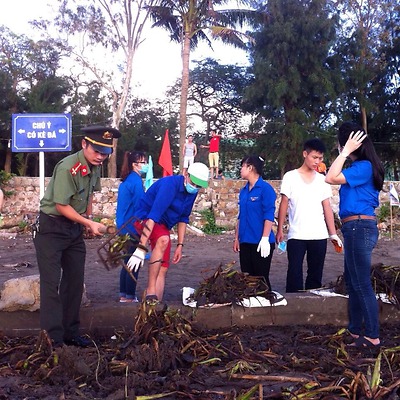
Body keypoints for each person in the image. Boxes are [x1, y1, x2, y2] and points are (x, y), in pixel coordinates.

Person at [34, 125, 121, 347]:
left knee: (74, 282)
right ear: (84, 144)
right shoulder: (68, 167)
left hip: (73, 230)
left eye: (105, 153)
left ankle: (70, 333)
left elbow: (89, 194)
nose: (101, 157)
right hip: (51, 229)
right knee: (51, 284)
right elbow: (61, 205)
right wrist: (88, 222)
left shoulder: (94, 166)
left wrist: (89, 218)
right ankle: (53, 339)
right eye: (97, 151)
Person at [325, 122, 384, 348]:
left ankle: (371, 335)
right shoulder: (359, 168)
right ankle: (354, 330)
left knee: (361, 282)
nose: (340, 148)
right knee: (353, 281)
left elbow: (330, 177)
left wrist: (345, 151)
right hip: (355, 228)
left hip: (360, 227)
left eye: (341, 144)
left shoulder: (364, 167)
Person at [126, 162, 209, 302]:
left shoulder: (191, 193)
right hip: (144, 219)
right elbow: (153, 215)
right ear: (186, 174)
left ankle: (154, 305)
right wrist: (141, 247)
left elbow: (183, 218)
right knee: (164, 239)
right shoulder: (169, 185)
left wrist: (180, 245)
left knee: (163, 267)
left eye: (198, 186)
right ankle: (151, 291)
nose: (194, 187)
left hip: (162, 226)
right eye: (193, 183)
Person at [276, 138, 342, 293]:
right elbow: (284, 204)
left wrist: (333, 234)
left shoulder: (322, 180)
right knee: (294, 273)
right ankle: (292, 307)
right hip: (296, 235)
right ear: (305, 154)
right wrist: (280, 230)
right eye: (314, 157)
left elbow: (327, 208)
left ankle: (312, 307)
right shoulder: (290, 177)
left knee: (315, 274)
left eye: (320, 158)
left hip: (319, 235)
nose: (317, 161)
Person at [233, 155, 276, 290]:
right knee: (247, 279)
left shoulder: (265, 189)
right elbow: (241, 216)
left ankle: (268, 308)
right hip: (245, 240)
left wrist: (264, 239)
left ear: (250, 167)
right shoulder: (244, 191)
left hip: (260, 242)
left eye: (243, 166)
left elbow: (269, 215)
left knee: (261, 279)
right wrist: (236, 238)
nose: (241, 169)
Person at [116, 150, 148, 303]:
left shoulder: (127, 179)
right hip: (132, 227)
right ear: (135, 164)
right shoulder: (136, 182)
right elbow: (141, 206)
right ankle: (129, 296)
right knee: (134, 261)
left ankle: (123, 294)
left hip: (122, 226)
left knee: (127, 260)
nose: (146, 165)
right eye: (143, 162)